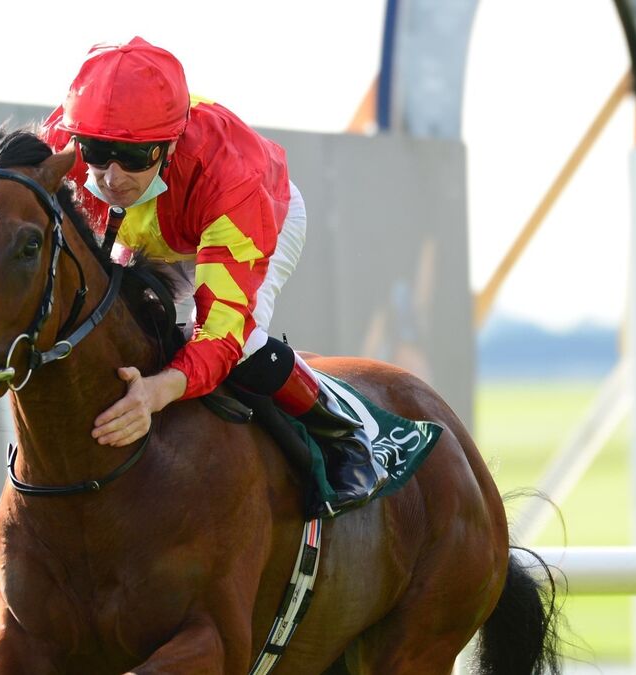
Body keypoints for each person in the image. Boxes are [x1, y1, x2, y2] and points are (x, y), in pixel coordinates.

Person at [40, 36, 388, 515]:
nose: (111, 177)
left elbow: (219, 335)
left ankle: (344, 437)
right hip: (150, 222)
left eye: (135, 157)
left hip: (253, 216)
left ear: (168, 145)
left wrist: (158, 392)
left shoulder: (231, 181)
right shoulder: (63, 140)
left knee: (239, 343)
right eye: (97, 151)